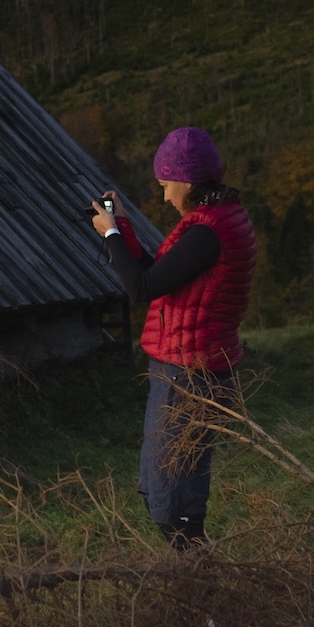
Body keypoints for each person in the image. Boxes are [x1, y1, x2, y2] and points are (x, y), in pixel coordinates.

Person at [91, 126, 256, 550]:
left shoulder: (205, 234)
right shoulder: (214, 222)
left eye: (166, 185)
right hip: (191, 367)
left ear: (186, 180)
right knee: (173, 492)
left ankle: (199, 598)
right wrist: (122, 226)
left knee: (176, 504)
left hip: (188, 374)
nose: (164, 196)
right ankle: (198, 597)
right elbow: (157, 275)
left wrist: (110, 235)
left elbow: (141, 288)